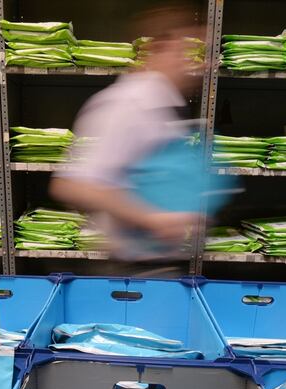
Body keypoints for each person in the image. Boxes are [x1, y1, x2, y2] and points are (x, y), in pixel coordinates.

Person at [50, 2, 220, 275]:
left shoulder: (165, 106)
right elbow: (73, 186)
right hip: (133, 273)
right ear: (158, 49)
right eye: (185, 51)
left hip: (162, 267)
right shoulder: (127, 105)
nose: (195, 63)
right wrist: (154, 219)